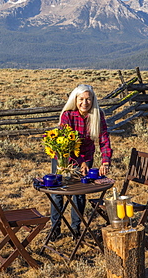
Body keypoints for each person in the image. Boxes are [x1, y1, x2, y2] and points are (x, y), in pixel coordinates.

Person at [50, 84, 113, 241]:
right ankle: (55, 228)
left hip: (87, 156)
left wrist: (105, 162)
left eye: (88, 99)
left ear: (93, 100)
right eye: (81, 99)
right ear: (75, 99)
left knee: (79, 193)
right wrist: (80, 162)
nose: (85, 103)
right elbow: (66, 144)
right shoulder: (68, 115)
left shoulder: (98, 115)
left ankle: (75, 229)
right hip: (64, 158)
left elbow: (104, 140)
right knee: (58, 192)